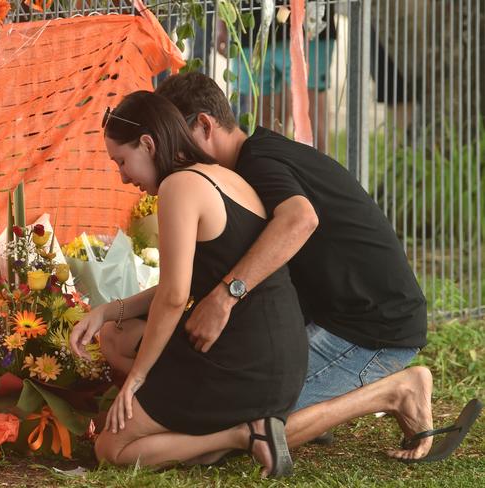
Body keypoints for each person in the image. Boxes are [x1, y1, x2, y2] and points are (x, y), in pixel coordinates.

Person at [150, 71, 428, 414]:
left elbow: (300, 219)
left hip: (371, 330)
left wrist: (225, 297)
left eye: (173, 141)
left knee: (251, 416)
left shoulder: (258, 163)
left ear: (205, 126)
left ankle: (399, 391)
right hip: (333, 318)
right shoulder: (250, 162)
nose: (170, 158)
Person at [72, 90, 310, 477]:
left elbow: (174, 296)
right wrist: (106, 311)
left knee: (111, 447)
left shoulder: (179, 187)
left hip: (239, 364)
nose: (122, 176)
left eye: (122, 162)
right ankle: (215, 437)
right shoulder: (222, 176)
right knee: (115, 335)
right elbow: (187, 283)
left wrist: (136, 380)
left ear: (148, 144)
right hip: (281, 361)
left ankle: (242, 436)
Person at [217, 1, 336, 151]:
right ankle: (276, 172)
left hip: (309, 28)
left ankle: (316, 173)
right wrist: (221, 22)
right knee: (262, 124)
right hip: (251, 27)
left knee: (308, 123)